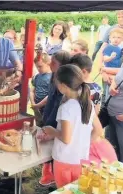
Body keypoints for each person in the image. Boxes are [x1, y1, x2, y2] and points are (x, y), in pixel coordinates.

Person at [43, 64, 99, 188]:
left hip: (64, 160)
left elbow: (66, 138)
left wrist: (52, 131)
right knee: (77, 190)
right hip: (81, 160)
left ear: (63, 86)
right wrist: (83, 143)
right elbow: (98, 130)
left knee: (65, 190)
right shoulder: (87, 103)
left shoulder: (66, 107)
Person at [70, 54, 117, 165]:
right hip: (91, 125)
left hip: (79, 126)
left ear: (83, 71)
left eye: (73, 71)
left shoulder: (79, 89)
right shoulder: (97, 87)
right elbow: (97, 110)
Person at [36, 51, 71, 186]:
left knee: (55, 147)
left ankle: (55, 173)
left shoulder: (63, 83)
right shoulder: (53, 77)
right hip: (48, 116)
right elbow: (50, 97)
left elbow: (59, 105)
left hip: (56, 120)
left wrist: (52, 124)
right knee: (46, 146)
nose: (50, 64)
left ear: (63, 66)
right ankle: (48, 170)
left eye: (54, 63)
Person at [101, 28, 123, 103]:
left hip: (116, 73)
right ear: (110, 38)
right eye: (113, 37)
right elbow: (104, 58)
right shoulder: (109, 47)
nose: (116, 39)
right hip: (108, 72)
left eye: (119, 37)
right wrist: (110, 57)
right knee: (108, 92)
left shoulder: (120, 49)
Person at [30, 53, 52, 126]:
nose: (38, 69)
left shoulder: (52, 78)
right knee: (38, 124)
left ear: (48, 63)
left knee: (45, 126)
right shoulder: (37, 76)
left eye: (40, 66)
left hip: (46, 107)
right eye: (37, 67)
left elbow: (50, 95)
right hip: (36, 106)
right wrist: (33, 103)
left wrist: (38, 105)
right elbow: (32, 90)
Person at [108, 67, 123, 162]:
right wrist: (111, 88)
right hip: (111, 115)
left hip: (121, 119)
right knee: (111, 148)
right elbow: (116, 80)